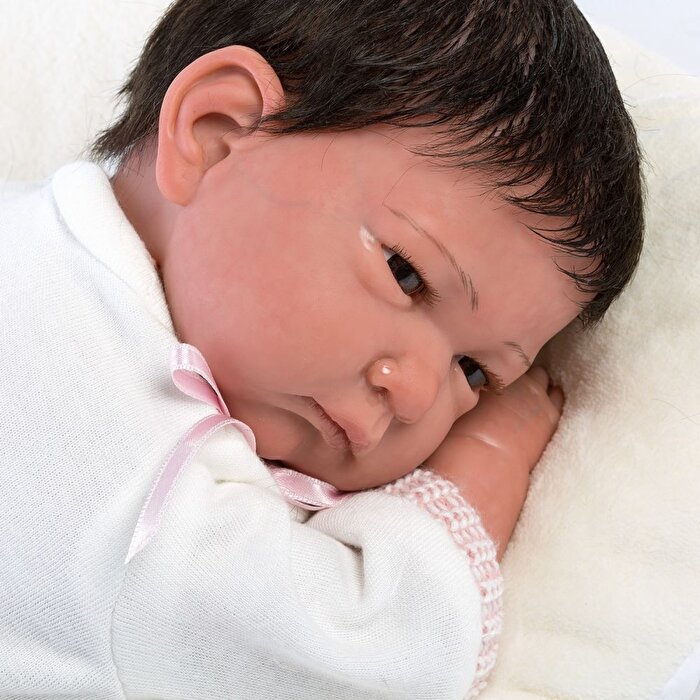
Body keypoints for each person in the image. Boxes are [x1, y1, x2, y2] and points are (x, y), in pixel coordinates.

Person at [0, 1, 643, 698]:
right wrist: (477, 476)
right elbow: (358, 661)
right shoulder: (127, 484)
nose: (417, 394)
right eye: (405, 274)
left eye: (474, 372)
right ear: (217, 135)